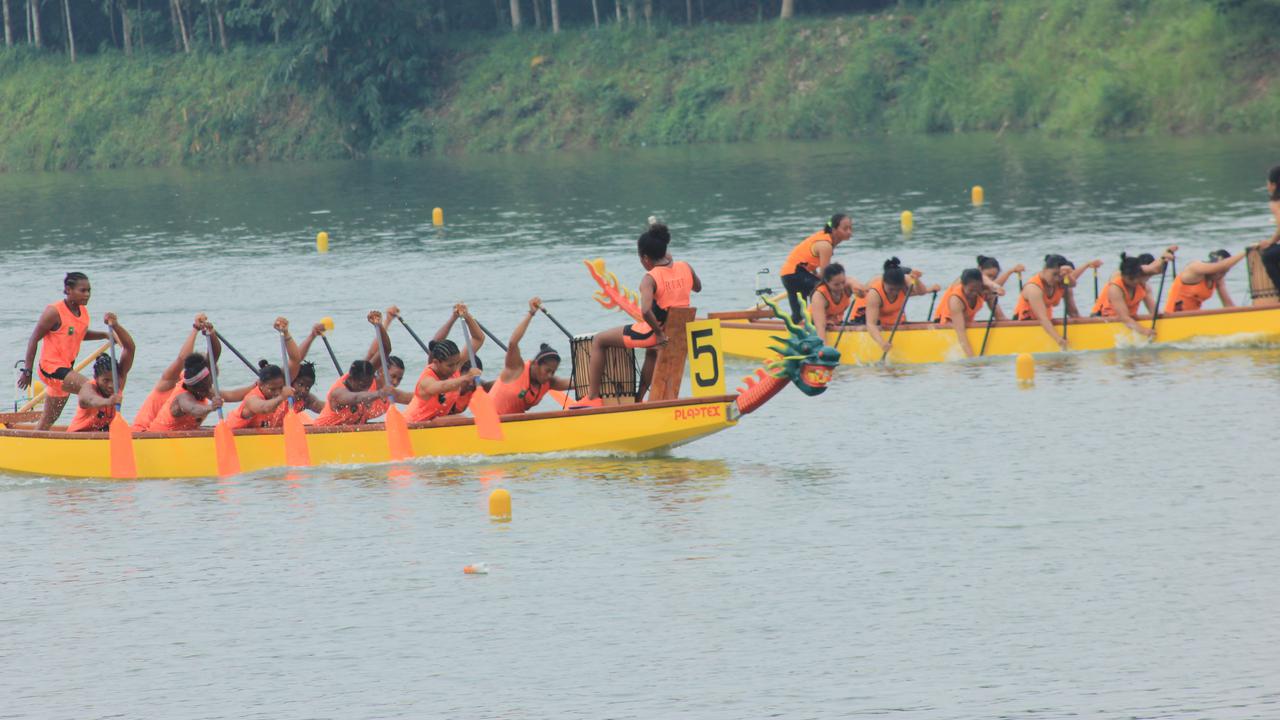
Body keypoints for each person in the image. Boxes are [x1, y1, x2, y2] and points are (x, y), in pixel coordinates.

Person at [583, 223, 702, 403]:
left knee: (599, 340)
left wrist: (660, 334)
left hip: (657, 332)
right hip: (679, 331)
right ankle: (638, 399)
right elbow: (698, 287)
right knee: (651, 352)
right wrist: (672, 265)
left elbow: (645, 311)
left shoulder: (650, 278)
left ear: (645, 258)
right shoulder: (685, 266)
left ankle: (591, 397)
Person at [18, 273, 114, 430]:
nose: (87, 294)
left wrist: (104, 335)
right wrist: (27, 371)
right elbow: (33, 339)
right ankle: (99, 428)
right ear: (69, 290)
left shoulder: (83, 312)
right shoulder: (54, 312)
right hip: (50, 369)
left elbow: (79, 333)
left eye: (89, 290)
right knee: (88, 386)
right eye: (82, 290)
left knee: (48, 420)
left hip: (66, 371)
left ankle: (34, 443)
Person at [132, 314, 219, 431]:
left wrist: (211, 333)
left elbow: (213, 358)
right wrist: (195, 329)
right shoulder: (171, 381)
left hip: (176, 433)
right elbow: (182, 359)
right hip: (144, 433)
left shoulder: (199, 385)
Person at [492, 297, 572, 415]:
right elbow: (513, 343)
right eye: (547, 370)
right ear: (535, 364)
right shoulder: (517, 368)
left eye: (553, 372)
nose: (549, 375)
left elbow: (578, 383)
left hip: (514, 424)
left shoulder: (548, 382)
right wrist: (531, 313)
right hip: (489, 421)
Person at [779, 214, 859, 322]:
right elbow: (826, 276)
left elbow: (809, 258)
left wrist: (814, 273)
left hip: (787, 275)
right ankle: (825, 320)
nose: (849, 232)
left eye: (850, 228)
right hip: (795, 274)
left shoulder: (825, 237)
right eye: (845, 229)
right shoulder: (826, 245)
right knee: (824, 291)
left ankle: (790, 330)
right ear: (834, 229)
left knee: (798, 316)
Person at [850, 258, 938, 355]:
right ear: (884, 282)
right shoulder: (874, 293)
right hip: (864, 315)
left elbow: (921, 292)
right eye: (891, 289)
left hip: (888, 315)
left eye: (898, 289)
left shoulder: (906, 279)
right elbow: (871, 324)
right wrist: (882, 343)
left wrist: (917, 280)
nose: (895, 292)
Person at [67, 315, 136, 432]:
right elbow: (87, 400)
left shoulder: (119, 381)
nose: (111, 385)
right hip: (79, 437)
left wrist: (116, 326)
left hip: (102, 435)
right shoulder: (89, 387)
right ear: (96, 378)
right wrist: (108, 402)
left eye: (114, 379)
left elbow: (130, 348)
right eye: (106, 381)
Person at [405, 338, 482, 423]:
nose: (454, 368)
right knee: (461, 418)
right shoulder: (426, 381)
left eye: (457, 363)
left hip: (432, 425)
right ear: (436, 362)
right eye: (450, 365)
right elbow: (442, 386)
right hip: (412, 426)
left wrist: (469, 323)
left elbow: (478, 339)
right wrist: (466, 377)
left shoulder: (454, 368)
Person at [1011, 255, 1079, 350]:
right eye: (1054, 274)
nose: (1056, 279)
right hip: (1026, 324)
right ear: (1045, 269)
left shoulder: (1060, 283)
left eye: (1059, 275)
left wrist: (1068, 274)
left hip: (1046, 324)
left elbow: (1073, 284)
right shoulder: (1033, 288)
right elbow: (1043, 318)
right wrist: (1059, 340)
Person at [146, 353, 225, 432]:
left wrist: (213, 340)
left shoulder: (202, 389)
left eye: (210, 383)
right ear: (196, 388)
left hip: (183, 434)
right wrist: (211, 407)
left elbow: (214, 362)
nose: (209, 388)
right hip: (160, 436)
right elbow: (194, 409)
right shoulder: (183, 398)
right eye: (206, 386)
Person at [1093, 252, 1162, 337]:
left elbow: (1155, 313)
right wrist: (1143, 331)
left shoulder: (1144, 286)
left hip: (1129, 320)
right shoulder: (1115, 287)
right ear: (1123, 276)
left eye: (1137, 277)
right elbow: (1124, 318)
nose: (1135, 281)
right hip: (1105, 318)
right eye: (1131, 279)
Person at [933, 269, 992, 358]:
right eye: (971, 290)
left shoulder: (982, 290)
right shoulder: (956, 300)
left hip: (966, 323)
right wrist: (971, 358)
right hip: (949, 326)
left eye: (977, 290)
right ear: (963, 285)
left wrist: (995, 290)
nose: (974, 293)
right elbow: (960, 331)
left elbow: (992, 285)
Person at [314, 359, 391, 426]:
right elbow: (356, 397)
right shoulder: (338, 394)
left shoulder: (362, 385)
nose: (366, 390)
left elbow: (385, 349)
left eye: (369, 386)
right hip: (320, 434)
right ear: (350, 378)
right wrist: (379, 393)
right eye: (362, 386)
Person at [1165, 249, 1244, 312]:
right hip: (1174, 316)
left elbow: (1228, 305)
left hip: (1193, 317)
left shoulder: (1218, 279)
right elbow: (1221, 266)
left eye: (1224, 272)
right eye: (1219, 271)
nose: (1220, 275)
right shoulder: (1195, 268)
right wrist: (1246, 251)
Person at [225, 361, 296, 430]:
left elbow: (295, 360)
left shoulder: (276, 396)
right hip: (232, 434)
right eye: (272, 389)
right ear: (260, 385)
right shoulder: (252, 399)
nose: (277, 393)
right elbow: (264, 408)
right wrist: (282, 397)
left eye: (280, 388)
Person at [810, 263, 858, 331]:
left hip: (837, 323)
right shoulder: (819, 296)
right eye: (836, 285)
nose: (841, 287)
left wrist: (857, 288)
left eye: (843, 282)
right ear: (826, 282)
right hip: (815, 324)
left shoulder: (847, 288)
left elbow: (863, 290)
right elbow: (820, 327)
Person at [1257, 165, 1280, 293]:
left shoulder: (1275, 203)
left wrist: (1271, 241)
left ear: (1274, 184)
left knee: (1268, 256)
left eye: (1268, 182)